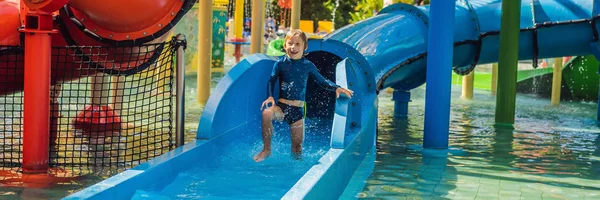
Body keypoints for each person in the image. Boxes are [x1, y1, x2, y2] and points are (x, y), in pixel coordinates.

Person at [253, 29, 354, 162]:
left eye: (297, 44)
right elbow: (271, 80)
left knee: (297, 149)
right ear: (285, 45)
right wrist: (270, 96)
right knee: (266, 113)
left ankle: (297, 171)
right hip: (282, 108)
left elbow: (322, 81)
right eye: (290, 43)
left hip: (298, 112)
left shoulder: (308, 65)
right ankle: (267, 149)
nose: (293, 47)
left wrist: (337, 87)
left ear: (304, 47)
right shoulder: (280, 64)